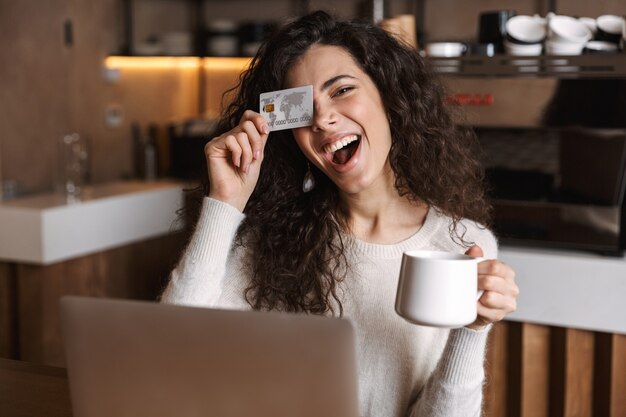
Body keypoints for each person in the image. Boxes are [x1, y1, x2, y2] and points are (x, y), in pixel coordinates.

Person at [161, 10, 519, 417]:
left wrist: (472, 331)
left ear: (389, 97)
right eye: (302, 107)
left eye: (342, 90)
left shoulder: (460, 246)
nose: (323, 118)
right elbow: (174, 348)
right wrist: (225, 202)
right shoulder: (273, 238)